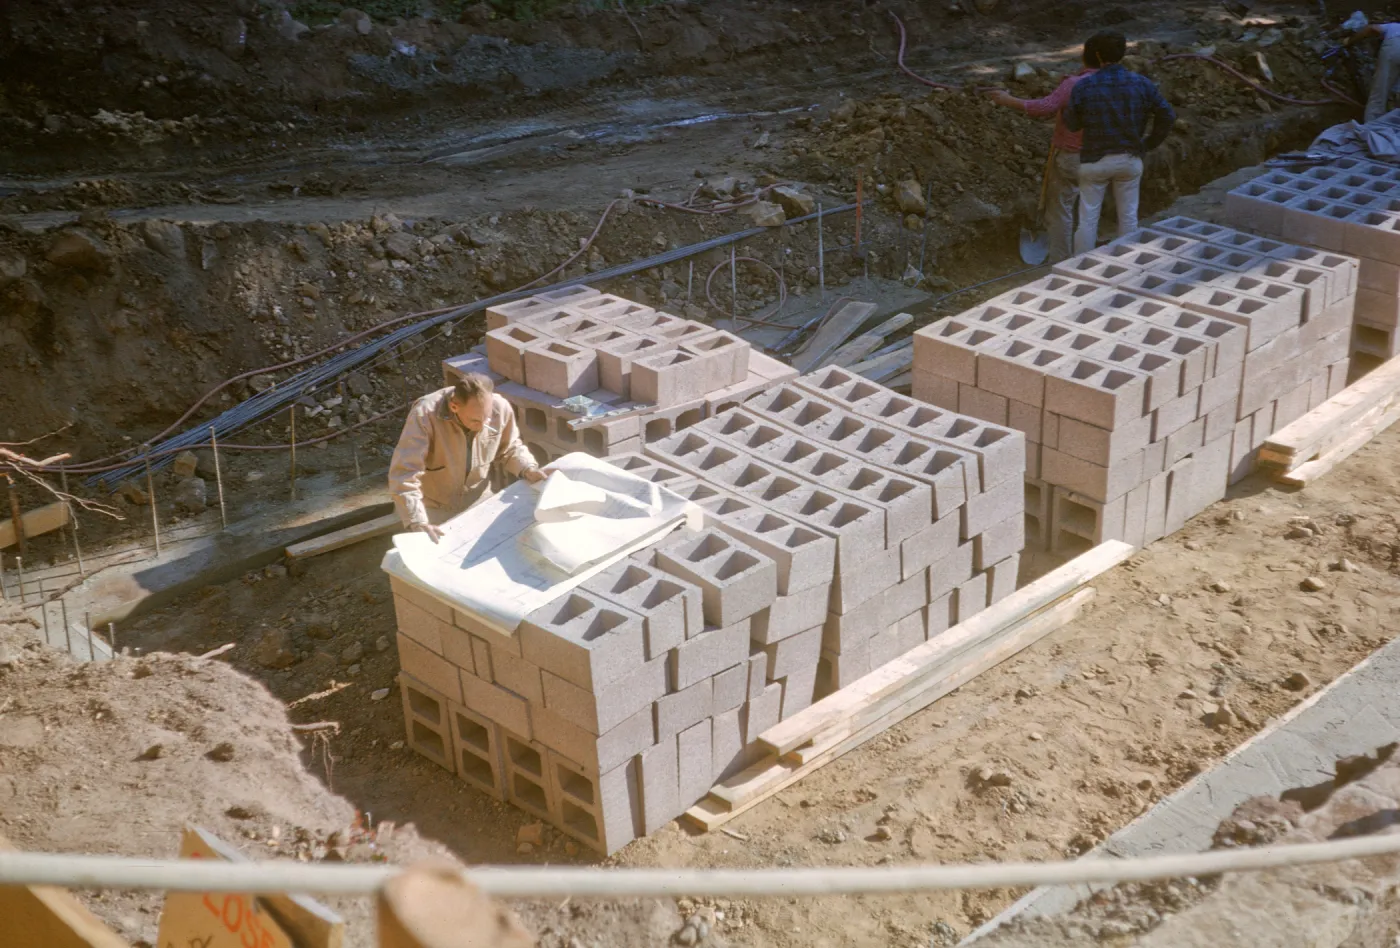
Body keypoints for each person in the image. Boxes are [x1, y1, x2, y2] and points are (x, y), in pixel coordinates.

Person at [389, 373, 545, 542]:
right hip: (433, 507)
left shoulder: (500, 408)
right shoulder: (424, 415)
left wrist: (528, 468)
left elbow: (510, 448)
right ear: (454, 406)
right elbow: (405, 473)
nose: (484, 425)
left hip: (478, 500)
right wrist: (417, 520)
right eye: (476, 420)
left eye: (487, 418)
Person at [986, 38, 1100, 262]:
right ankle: (1087, 257)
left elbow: (1045, 107)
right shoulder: (1115, 82)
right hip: (1102, 156)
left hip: (1071, 155)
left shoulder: (1075, 83)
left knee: (1060, 211)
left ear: (1084, 56)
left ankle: (1062, 262)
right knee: (1089, 207)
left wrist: (1008, 100)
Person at [1062, 30, 1176, 254]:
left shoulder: (1084, 86)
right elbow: (1168, 115)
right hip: (1129, 158)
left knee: (1087, 220)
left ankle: (1082, 268)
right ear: (1123, 53)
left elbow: (1072, 125)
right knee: (1128, 217)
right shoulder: (1141, 83)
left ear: (1097, 55)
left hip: (1094, 160)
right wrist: (1148, 143)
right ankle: (1126, 266)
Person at [1349, 22, 1400, 123]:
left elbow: (1372, 29)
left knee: (1379, 90)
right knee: (1396, 91)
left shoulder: (1394, 26)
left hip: (1395, 46)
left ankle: (1371, 127)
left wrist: (1350, 41)